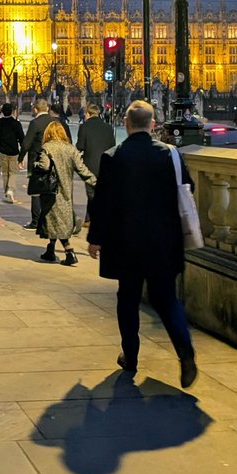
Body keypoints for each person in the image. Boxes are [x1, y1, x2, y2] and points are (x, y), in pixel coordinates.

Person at [87, 100, 197, 389]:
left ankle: (131, 356)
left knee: (128, 298)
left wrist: (95, 239)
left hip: (127, 242)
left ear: (126, 123)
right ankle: (185, 354)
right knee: (166, 299)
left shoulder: (113, 157)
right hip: (164, 240)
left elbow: (103, 204)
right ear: (153, 124)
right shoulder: (170, 155)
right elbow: (188, 189)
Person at [34, 121, 95, 265]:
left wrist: (35, 164)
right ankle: (50, 250)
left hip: (51, 191)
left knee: (55, 221)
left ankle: (69, 252)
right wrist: (95, 181)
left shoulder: (47, 148)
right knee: (56, 220)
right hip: (66, 191)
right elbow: (82, 169)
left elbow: (44, 165)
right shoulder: (70, 149)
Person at [76, 103, 115, 225]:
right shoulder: (108, 127)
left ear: (87, 114)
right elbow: (112, 146)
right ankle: (90, 217)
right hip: (105, 163)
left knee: (91, 192)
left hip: (90, 164)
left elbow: (80, 146)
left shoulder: (84, 127)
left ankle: (93, 218)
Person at [19, 98, 51, 230]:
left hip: (37, 159)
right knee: (51, 189)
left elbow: (27, 143)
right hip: (53, 159)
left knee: (36, 190)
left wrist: (20, 158)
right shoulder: (55, 122)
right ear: (47, 109)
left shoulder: (35, 123)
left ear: (35, 110)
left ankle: (36, 221)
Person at [0, 102, 25, 202]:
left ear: (3, 112)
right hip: (14, 151)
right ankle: (10, 189)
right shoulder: (16, 123)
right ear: (12, 112)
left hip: (2, 150)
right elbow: (22, 138)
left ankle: (6, 191)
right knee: (13, 172)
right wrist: (23, 153)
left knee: (5, 173)